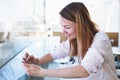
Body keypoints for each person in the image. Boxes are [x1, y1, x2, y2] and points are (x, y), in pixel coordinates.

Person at [22, 2, 118, 80]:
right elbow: (54, 54)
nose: (63, 32)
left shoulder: (100, 38)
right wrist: (37, 61)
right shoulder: (74, 40)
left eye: (67, 27)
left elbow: (83, 71)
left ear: (81, 26)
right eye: (62, 26)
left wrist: (42, 72)